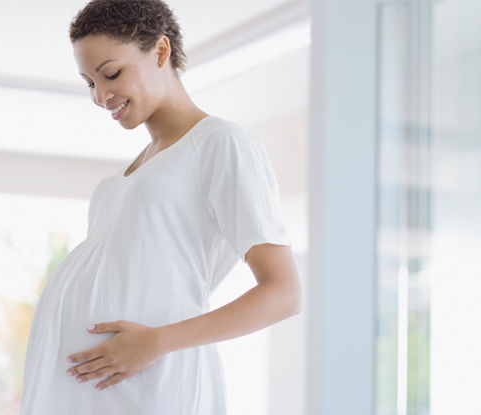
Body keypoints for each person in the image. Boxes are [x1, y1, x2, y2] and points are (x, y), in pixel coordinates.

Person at [19, 0, 301, 413]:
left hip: (152, 379)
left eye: (111, 73)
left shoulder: (219, 143)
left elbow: (284, 293)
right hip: (100, 384)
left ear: (161, 52)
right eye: (89, 83)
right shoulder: (133, 169)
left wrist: (156, 341)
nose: (101, 96)